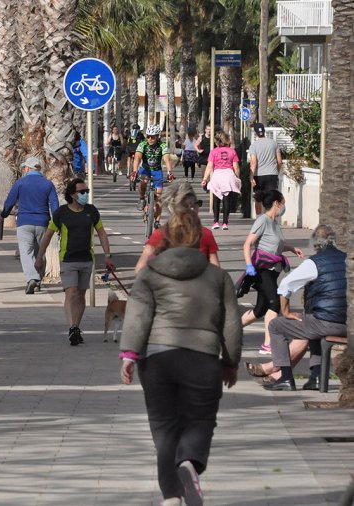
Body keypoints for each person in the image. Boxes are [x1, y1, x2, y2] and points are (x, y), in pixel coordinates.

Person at [119, 203, 242, 506]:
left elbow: (138, 315)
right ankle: (190, 463)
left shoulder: (149, 273)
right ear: (198, 237)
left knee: (163, 428)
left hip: (157, 360)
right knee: (200, 420)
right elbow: (231, 323)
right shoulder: (218, 277)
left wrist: (129, 354)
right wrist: (230, 361)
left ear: (167, 237)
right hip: (202, 358)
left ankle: (171, 496)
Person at [262, 225, 347, 391]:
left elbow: (286, 284)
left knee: (275, 326)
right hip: (347, 322)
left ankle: (285, 377)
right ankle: (316, 376)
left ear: (315, 244)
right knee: (311, 320)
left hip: (326, 322)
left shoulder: (314, 263)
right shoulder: (346, 258)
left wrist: (285, 312)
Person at [35, 178, 114, 346]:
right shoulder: (61, 213)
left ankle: (76, 327)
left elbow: (101, 233)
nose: (86, 194)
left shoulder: (91, 211)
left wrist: (107, 255)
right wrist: (39, 257)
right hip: (68, 259)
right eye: (82, 192)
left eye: (87, 192)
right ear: (72, 194)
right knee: (71, 293)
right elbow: (48, 235)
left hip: (86, 259)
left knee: (81, 294)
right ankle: (72, 327)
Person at [241, 189, 304, 355]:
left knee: (260, 310)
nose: (283, 206)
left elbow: (275, 244)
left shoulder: (274, 223)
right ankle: (267, 345)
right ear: (276, 203)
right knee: (274, 303)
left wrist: (291, 249)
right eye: (282, 202)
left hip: (273, 270)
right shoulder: (262, 220)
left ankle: (227, 331)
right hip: (262, 269)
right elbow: (248, 244)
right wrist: (249, 266)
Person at [1, 156, 59, 294]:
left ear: (27, 168)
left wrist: (4, 214)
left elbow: (9, 202)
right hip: (43, 222)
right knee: (41, 252)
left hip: (24, 222)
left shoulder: (20, 183)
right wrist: (56, 223)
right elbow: (55, 206)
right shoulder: (48, 184)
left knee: (26, 252)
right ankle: (38, 280)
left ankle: (32, 278)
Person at [134, 181, 220, 275]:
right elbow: (216, 270)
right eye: (195, 204)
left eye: (196, 204)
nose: (193, 209)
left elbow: (139, 270)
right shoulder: (205, 234)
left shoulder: (160, 234)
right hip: (198, 287)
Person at [133, 125, 174, 228]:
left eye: (153, 137)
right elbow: (137, 158)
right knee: (144, 181)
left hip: (157, 171)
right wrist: (134, 171)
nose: (150, 139)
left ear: (157, 136)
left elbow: (166, 159)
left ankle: (157, 220)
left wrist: (170, 172)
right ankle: (142, 198)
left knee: (159, 197)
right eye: (148, 136)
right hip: (145, 169)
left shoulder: (162, 146)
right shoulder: (143, 144)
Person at [200, 131, 241, 230]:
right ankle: (225, 223)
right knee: (227, 200)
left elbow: (209, 166)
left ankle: (216, 222)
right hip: (228, 175)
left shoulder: (213, 152)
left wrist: (205, 179)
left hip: (217, 175)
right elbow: (236, 167)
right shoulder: (232, 151)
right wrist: (237, 178)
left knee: (216, 200)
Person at [247, 122, 283, 215]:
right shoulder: (273, 143)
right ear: (264, 131)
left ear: (255, 133)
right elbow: (279, 161)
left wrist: (251, 177)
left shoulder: (254, 146)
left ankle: (259, 219)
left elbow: (253, 163)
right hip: (272, 174)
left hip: (259, 176)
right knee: (272, 197)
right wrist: (276, 172)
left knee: (258, 198)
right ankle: (271, 217)